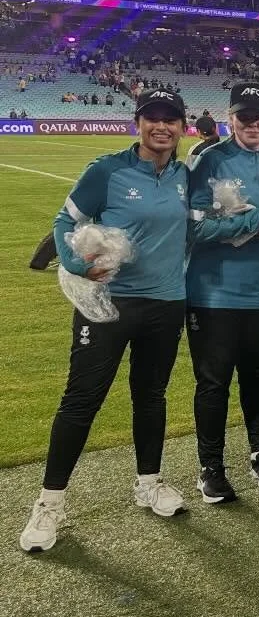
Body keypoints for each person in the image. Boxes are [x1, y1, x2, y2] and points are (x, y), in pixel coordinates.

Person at [20, 89, 191, 552]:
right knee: (82, 400)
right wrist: (76, 265)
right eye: (152, 118)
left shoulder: (184, 176)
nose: (161, 126)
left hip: (166, 302)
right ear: (138, 123)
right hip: (109, 304)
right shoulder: (107, 170)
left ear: (182, 127)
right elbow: (64, 221)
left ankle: (149, 483)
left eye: (170, 119)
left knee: (150, 395)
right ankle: (49, 504)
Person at [186, 82, 259, 503]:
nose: (252, 124)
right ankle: (211, 467)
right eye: (243, 116)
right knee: (213, 382)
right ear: (230, 119)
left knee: (257, 375)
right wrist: (258, 219)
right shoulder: (209, 160)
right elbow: (194, 228)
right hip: (212, 293)